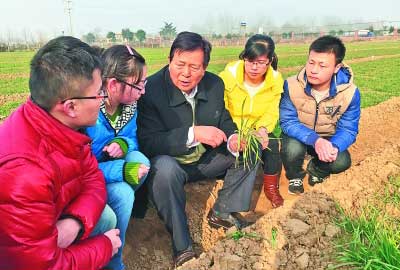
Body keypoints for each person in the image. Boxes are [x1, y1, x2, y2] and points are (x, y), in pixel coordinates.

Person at [137, 31, 258, 267]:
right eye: (179, 64)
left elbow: (223, 118)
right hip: (171, 165)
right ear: (170, 60)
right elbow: (148, 142)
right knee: (164, 169)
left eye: (194, 67)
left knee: (250, 149)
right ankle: (182, 247)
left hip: (204, 161)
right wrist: (193, 133)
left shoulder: (214, 84)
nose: (185, 73)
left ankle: (222, 211)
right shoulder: (150, 90)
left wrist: (234, 138)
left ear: (204, 69)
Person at [0, 36, 121, 269]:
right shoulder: (24, 172)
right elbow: (43, 266)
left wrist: (74, 221)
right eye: (98, 94)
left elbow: (93, 178)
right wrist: (104, 247)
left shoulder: (62, 124)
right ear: (70, 107)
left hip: (50, 222)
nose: (103, 100)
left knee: (106, 216)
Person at [86, 44, 150, 270]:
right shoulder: (89, 110)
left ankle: (117, 225)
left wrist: (122, 143)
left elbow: (132, 138)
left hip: (106, 171)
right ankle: (111, 256)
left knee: (142, 162)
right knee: (123, 193)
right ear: (113, 85)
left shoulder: (129, 107)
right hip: (88, 177)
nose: (143, 91)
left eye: (144, 84)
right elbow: (81, 168)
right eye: (138, 85)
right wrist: (122, 171)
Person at [280, 35, 361, 194]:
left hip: (328, 138)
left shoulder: (350, 94)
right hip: (299, 136)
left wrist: (334, 146)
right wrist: (314, 140)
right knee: (291, 149)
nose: (313, 70)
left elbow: (349, 129)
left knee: (342, 161)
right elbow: (288, 121)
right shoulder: (291, 85)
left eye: (322, 65)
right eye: (311, 62)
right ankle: (295, 174)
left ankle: (316, 170)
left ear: (336, 67)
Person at [219, 34, 284, 208]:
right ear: (244, 57)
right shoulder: (228, 77)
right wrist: (234, 132)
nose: (254, 67)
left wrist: (262, 129)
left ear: (270, 61)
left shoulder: (276, 80)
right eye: (250, 61)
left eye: (261, 62)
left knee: (271, 146)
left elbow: (272, 109)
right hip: (231, 128)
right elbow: (221, 107)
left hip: (258, 128)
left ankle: (271, 188)